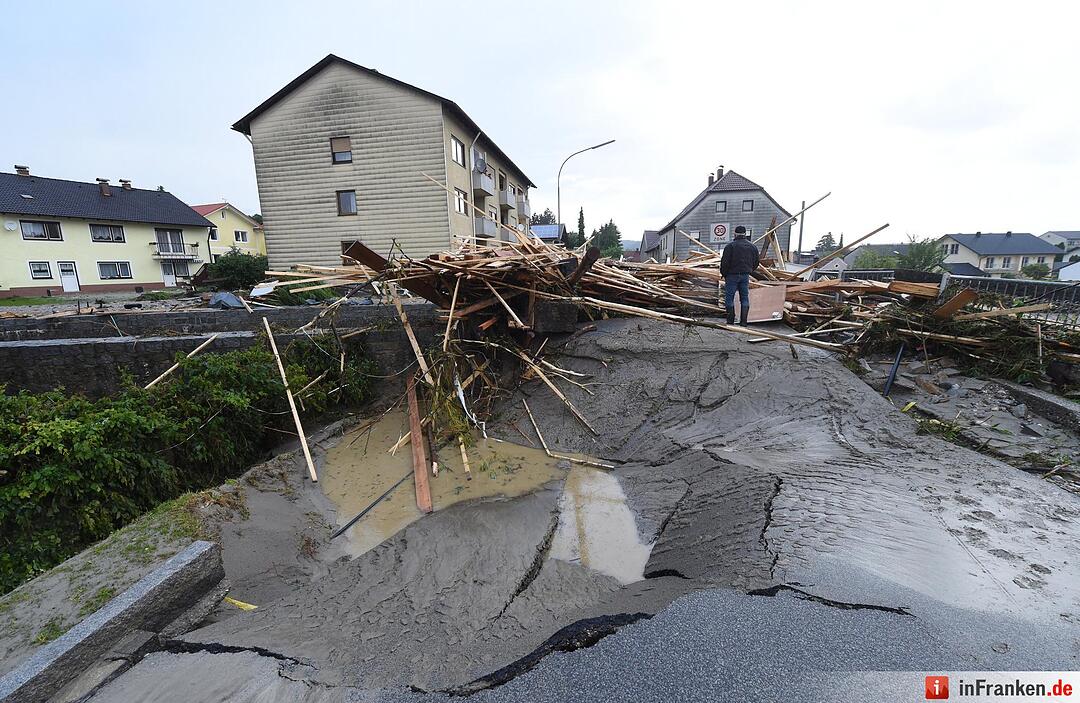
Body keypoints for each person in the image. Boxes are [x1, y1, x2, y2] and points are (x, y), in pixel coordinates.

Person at [720, 226, 760, 325]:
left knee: (729, 298)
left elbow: (724, 263)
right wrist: (749, 270)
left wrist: (724, 274)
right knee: (744, 298)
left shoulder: (730, 246)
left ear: (735, 233)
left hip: (731, 275)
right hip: (745, 275)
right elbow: (756, 262)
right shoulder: (752, 247)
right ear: (745, 233)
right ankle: (744, 322)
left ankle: (730, 321)